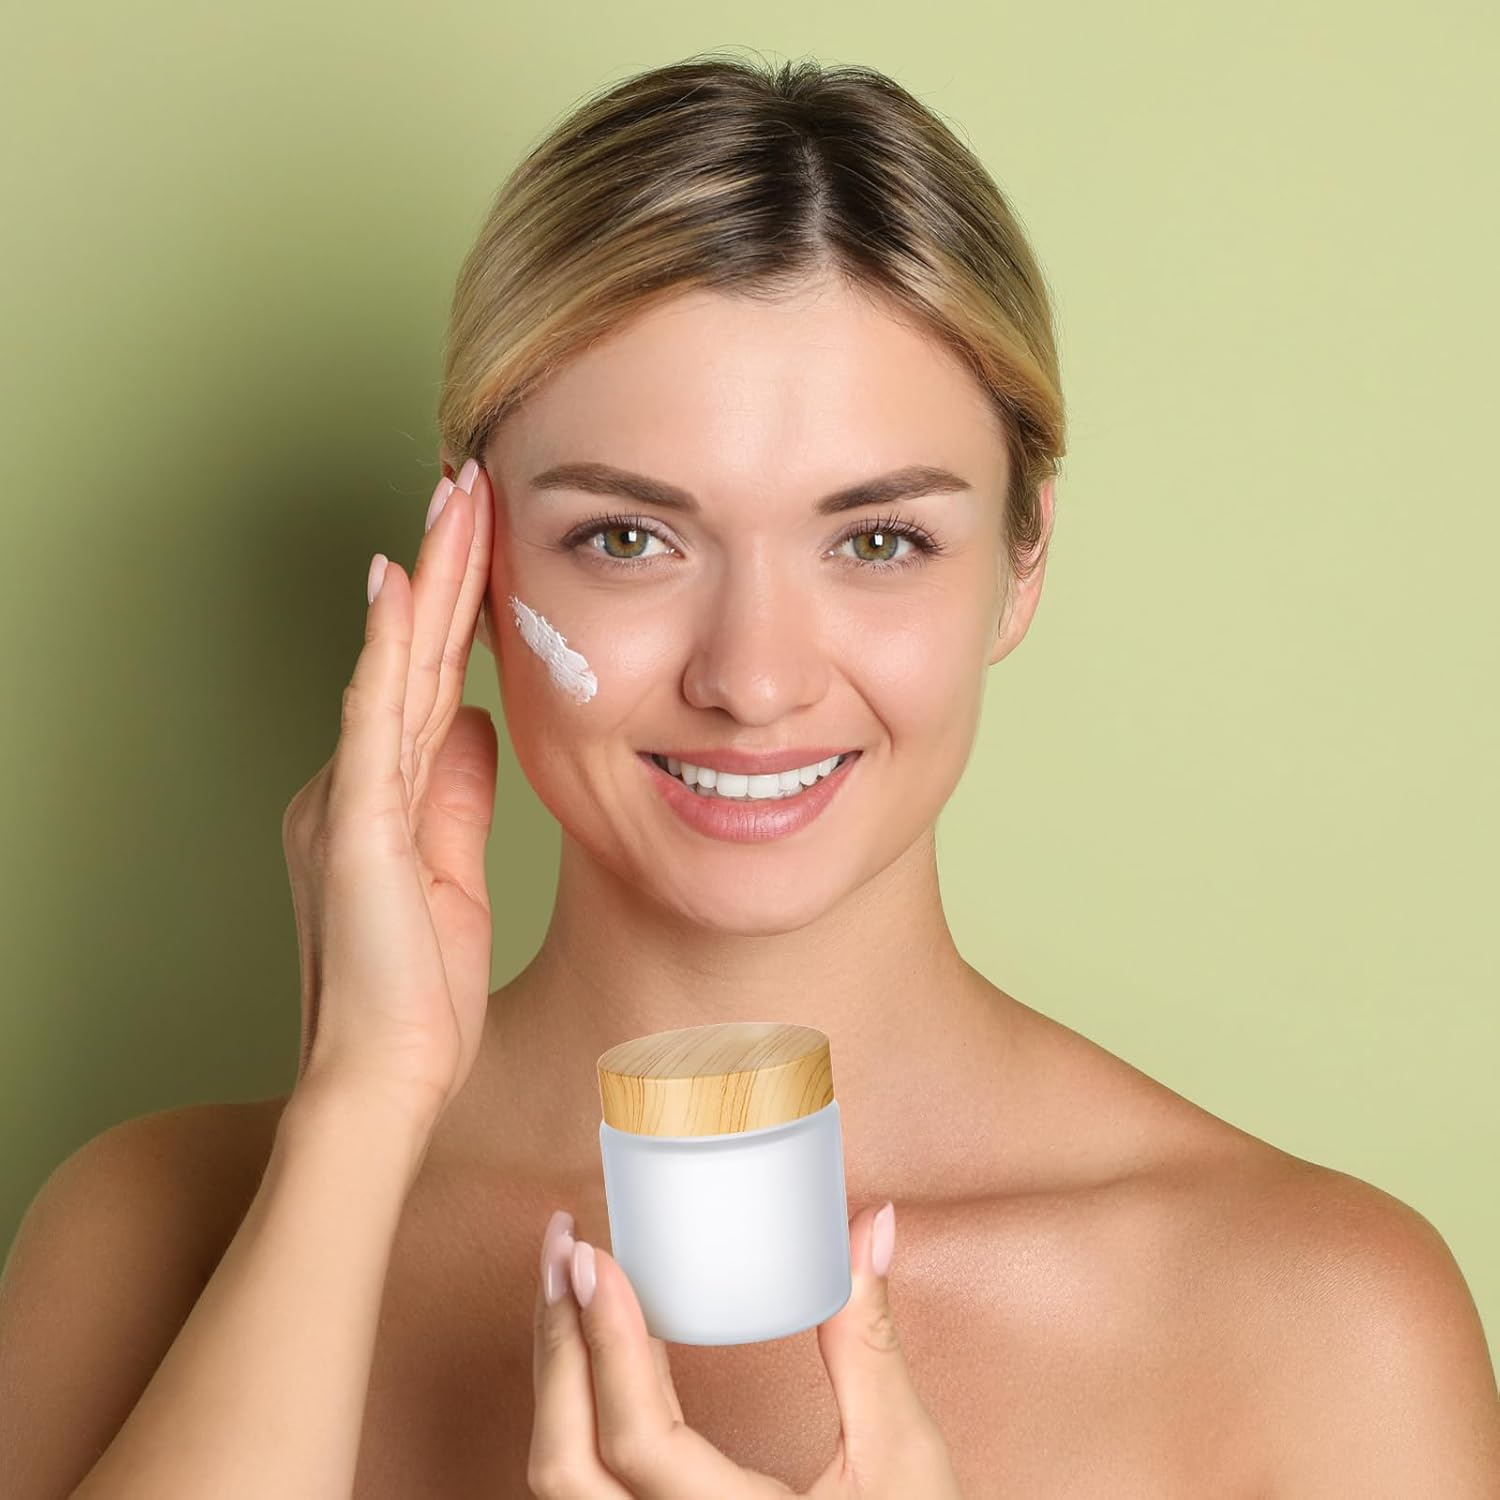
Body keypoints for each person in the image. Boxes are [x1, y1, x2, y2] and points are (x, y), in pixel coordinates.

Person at [3, 51, 1497, 1500]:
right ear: (473, 562)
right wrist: (360, 1112)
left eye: (878, 541)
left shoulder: (1319, 1325)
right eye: (628, 538)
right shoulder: (147, 1244)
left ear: (1021, 562)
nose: (755, 679)